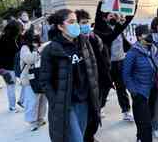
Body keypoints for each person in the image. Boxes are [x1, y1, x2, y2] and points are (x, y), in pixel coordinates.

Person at [39, 9, 101, 142]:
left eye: (76, 22)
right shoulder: (50, 50)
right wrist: (56, 100)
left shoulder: (84, 43)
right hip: (67, 104)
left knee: (83, 135)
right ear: (61, 26)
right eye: (71, 22)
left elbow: (93, 69)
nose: (76, 25)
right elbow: (44, 81)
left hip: (85, 100)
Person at [93, 0, 136, 121]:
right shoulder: (102, 30)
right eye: (111, 15)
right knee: (105, 88)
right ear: (106, 18)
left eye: (115, 15)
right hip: (107, 64)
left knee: (121, 87)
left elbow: (128, 19)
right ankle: (100, 108)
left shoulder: (119, 28)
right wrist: (101, 2)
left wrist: (135, 4)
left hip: (120, 62)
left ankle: (126, 111)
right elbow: (97, 16)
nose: (113, 16)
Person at [122, 24, 158, 142]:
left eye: (150, 32)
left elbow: (157, 67)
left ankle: (140, 137)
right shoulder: (132, 53)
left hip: (153, 89)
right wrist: (134, 91)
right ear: (139, 37)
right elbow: (126, 75)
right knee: (145, 122)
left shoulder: (153, 49)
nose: (150, 35)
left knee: (147, 118)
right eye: (146, 33)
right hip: (140, 92)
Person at [75, 9, 110, 142]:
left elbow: (104, 58)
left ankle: (90, 136)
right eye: (83, 23)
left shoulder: (96, 38)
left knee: (96, 114)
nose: (87, 26)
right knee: (87, 116)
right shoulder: (76, 43)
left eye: (88, 23)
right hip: (86, 86)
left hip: (100, 82)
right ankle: (86, 137)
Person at [19, 28, 47, 131]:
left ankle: (40, 118)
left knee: (43, 99)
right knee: (32, 100)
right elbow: (29, 59)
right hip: (30, 78)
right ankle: (32, 121)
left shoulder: (41, 45)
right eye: (35, 31)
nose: (37, 32)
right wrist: (39, 52)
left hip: (42, 76)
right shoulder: (25, 47)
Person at [0, 20, 22, 112]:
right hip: (8, 67)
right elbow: (0, 54)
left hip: (14, 66)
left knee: (21, 85)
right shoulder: (6, 39)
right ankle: (13, 106)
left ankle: (18, 103)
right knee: (11, 86)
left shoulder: (17, 38)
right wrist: (0, 68)